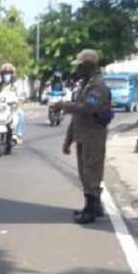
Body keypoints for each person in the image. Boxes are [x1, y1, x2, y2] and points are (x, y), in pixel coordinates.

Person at [56, 49, 111, 225]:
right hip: (82, 135)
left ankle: (91, 208)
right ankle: (94, 207)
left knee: (91, 172)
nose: (78, 69)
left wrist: (64, 105)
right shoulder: (86, 84)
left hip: (93, 136)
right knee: (84, 172)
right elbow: (77, 116)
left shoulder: (98, 86)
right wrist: (68, 139)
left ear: (89, 66)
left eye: (81, 66)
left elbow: (88, 107)